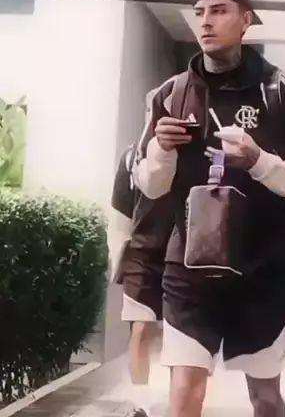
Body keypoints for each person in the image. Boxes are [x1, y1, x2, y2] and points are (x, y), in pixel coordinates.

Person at [133, 0, 285, 417]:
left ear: (246, 20)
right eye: (199, 12)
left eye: (219, 11)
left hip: (262, 271)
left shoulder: (279, 90)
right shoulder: (170, 94)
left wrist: (258, 160)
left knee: (265, 398)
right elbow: (149, 185)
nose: (205, 21)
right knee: (184, 394)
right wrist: (161, 149)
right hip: (190, 271)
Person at [107, 90, 174, 417]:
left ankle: (182, 399)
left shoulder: (193, 157)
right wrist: (115, 254)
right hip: (141, 253)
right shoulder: (132, 156)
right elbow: (121, 208)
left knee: (181, 335)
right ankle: (140, 403)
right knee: (141, 328)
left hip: (182, 254)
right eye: (152, 109)